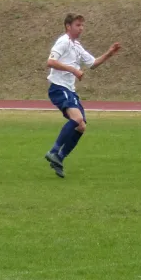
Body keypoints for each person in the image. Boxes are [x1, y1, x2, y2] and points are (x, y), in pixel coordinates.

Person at [44, 13, 121, 178]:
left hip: (69, 90)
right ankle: (53, 150)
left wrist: (109, 53)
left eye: (82, 25)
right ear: (68, 26)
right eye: (78, 25)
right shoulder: (63, 42)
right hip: (58, 87)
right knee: (77, 119)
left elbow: (92, 63)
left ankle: (59, 157)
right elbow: (50, 62)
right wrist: (73, 69)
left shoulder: (76, 45)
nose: (81, 28)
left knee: (81, 126)